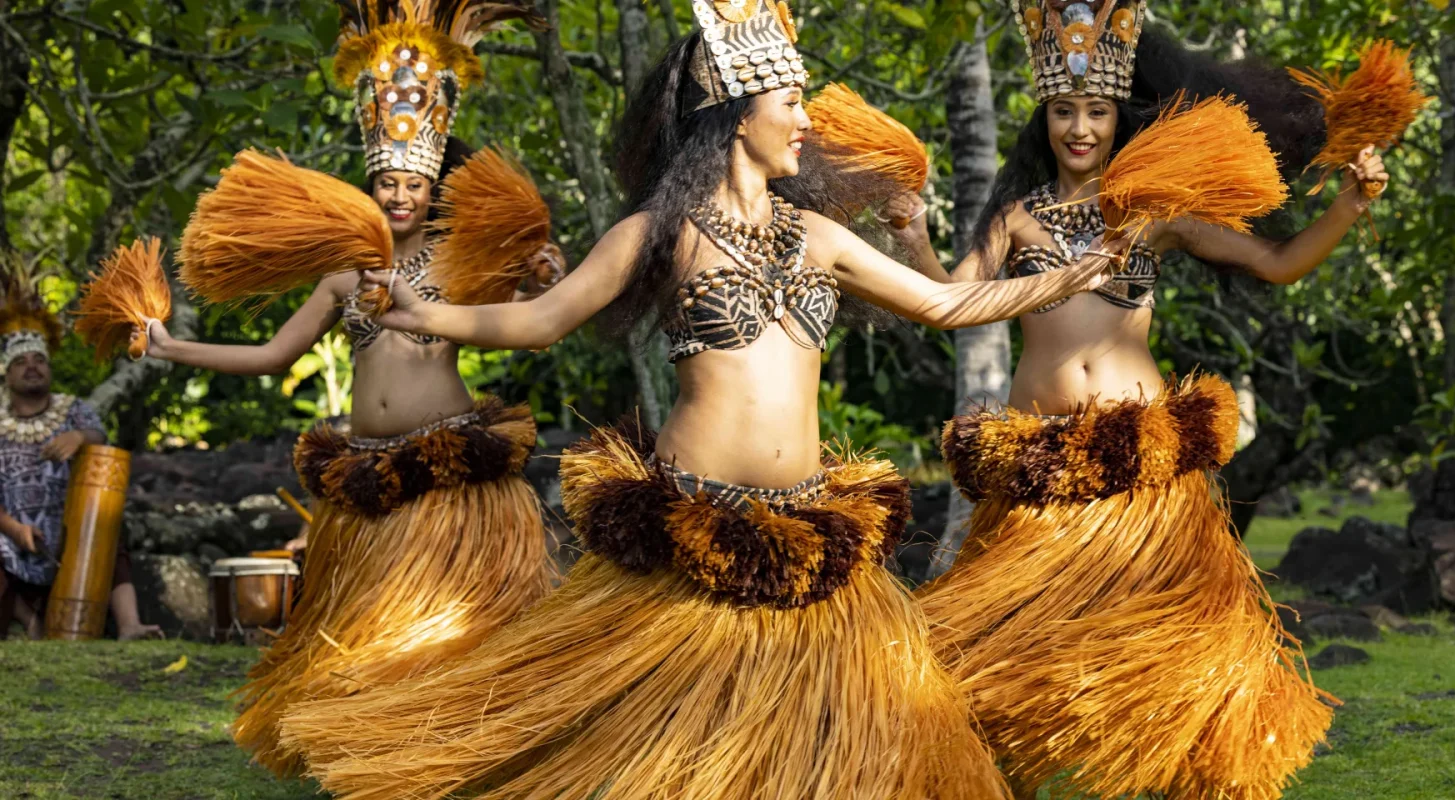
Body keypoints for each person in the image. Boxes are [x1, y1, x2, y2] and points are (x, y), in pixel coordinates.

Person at [277, 3, 1115, 798]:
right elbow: (541, 319)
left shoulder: (819, 238)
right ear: (737, 112)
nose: (807, 122)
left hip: (804, 522)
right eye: (792, 103)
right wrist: (428, 311)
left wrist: (1065, 279)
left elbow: (945, 306)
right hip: (691, 519)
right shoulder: (658, 234)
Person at [888, 3, 1392, 798]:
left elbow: (1278, 261)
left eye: (1096, 111)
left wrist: (1349, 206)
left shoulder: (1154, 216)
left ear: (1120, 116)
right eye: (1064, 111)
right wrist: (912, 234)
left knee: (1169, 644)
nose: (1080, 128)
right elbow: (950, 298)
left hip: (1143, 470)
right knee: (1000, 643)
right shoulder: (1017, 219)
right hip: (1039, 467)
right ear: (1043, 117)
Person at [142, 0, 556, 777]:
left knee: (440, 630)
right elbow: (271, 356)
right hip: (366, 474)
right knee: (373, 629)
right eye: (387, 180)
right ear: (367, 181)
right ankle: (383, 755)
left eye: (415, 182)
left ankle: (442, 756)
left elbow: (539, 314)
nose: (400, 195)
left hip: (450, 476)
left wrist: (541, 272)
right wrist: (171, 348)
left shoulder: (461, 260)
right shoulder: (343, 273)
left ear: (436, 184)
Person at [0, 257, 161, 641]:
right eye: (21, 362)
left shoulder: (72, 410)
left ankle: (129, 625)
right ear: (5, 373)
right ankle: (29, 620)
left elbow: (100, 439)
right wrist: (15, 529)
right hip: (10, 532)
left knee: (106, 524)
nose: (32, 367)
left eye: (39, 359)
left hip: (70, 529)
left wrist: (80, 438)